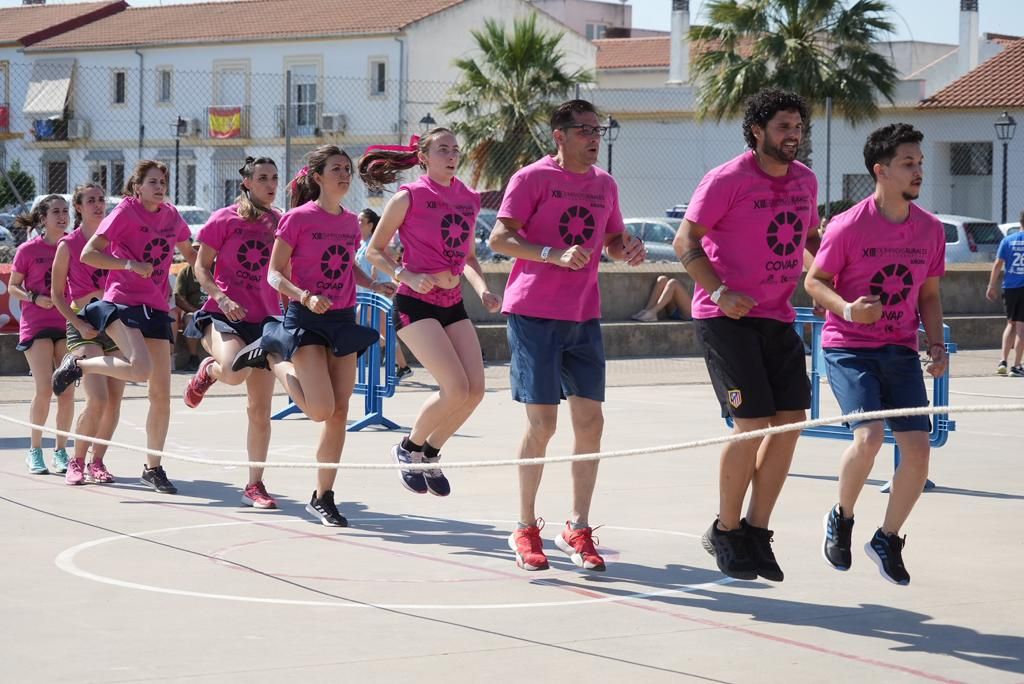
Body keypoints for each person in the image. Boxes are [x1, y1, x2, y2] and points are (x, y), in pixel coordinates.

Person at [489, 99, 646, 572]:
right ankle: (524, 527)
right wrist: (551, 254)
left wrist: (629, 248)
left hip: (584, 316)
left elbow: (613, 241)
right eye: (584, 130)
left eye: (598, 129)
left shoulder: (605, 185)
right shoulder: (531, 178)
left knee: (591, 424)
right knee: (543, 426)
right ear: (559, 135)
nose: (594, 137)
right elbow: (499, 238)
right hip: (534, 314)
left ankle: (576, 527)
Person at [673, 89, 820, 582]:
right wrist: (718, 293)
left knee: (791, 421)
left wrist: (823, 278)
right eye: (783, 126)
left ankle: (757, 531)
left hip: (778, 316)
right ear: (757, 131)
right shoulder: (726, 179)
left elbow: (808, 240)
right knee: (752, 423)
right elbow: (685, 241)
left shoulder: (805, 182)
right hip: (725, 318)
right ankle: (726, 529)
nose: (793, 135)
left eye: (798, 126)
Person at [806, 123, 946, 585]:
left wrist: (936, 342)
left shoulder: (929, 230)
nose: (918, 170)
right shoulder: (848, 225)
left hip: (900, 350)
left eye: (920, 162)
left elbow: (928, 294)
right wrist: (847, 309)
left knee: (918, 451)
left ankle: (887, 537)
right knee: (868, 438)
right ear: (880, 171)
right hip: (850, 348)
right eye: (908, 163)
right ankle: (841, 516)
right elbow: (814, 282)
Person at [232, 145, 395, 526]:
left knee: (339, 414)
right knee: (321, 410)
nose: (344, 174)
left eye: (347, 169)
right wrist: (303, 294)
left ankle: (323, 496)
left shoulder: (352, 222)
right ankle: (274, 355)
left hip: (343, 319)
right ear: (318, 176)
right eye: (336, 168)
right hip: (306, 318)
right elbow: (274, 273)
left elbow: (345, 267)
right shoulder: (298, 219)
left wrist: (373, 283)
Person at [360, 129, 501, 498]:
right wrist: (407, 275)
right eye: (443, 150)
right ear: (424, 156)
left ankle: (430, 451)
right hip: (414, 305)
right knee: (454, 387)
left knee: (475, 391)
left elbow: (468, 257)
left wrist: (482, 288)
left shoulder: (469, 199)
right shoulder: (410, 197)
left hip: (452, 303)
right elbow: (375, 251)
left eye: (456, 149)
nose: (452, 155)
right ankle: (407, 448)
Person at [51, 160, 196, 495]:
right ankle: (80, 366)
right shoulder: (125, 213)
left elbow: (192, 253)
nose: (160, 187)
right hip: (123, 303)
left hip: (157, 307)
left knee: (161, 394)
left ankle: (153, 467)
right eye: (153, 182)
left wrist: (215, 269)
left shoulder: (171, 215)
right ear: (137, 187)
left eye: (163, 181)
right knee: (137, 372)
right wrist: (128, 264)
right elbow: (89, 254)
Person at [182, 156, 283, 510]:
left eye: (274, 177)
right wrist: (222, 298)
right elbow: (200, 268)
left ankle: (255, 485)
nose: (271, 184)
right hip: (223, 315)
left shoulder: (280, 222)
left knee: (260, 410)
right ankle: (208, 370)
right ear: (247, 183)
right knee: (232, 372)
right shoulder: (222, 219)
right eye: (263, 178)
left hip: (265, 320)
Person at [50, 183, 125, 485]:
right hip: (85, 327)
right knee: (97, 399)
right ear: (78, 207)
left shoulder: (116, 242)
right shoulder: (68, 245)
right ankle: (76, 460)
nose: (98, 204)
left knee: (115, 401)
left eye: (101, 199)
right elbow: (56, 294)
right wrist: (78, 324)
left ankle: (98, 461)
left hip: (117, 326)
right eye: (90, 200)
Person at [10, 195, 74, 475]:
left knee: (67, 390)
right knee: (45, 389)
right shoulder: (27, 250)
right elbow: (13, 286)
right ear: (43, 219)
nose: (62, 216)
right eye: (56, 212)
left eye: (65, 211)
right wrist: (34, 298)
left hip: (66, 322)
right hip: (36, 323)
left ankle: (61, 452)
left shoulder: (73, 246)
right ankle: (35, 450)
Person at [355, 207, 411, 379]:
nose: (358, 224)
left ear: (371, 225)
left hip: (380, 294)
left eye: (361, 222)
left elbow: (384, 262)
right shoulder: (362, 245)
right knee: (384, 331)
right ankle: (403, 367)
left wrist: (375, 274)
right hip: (368, 294)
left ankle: (396, 360)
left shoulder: (374, 243)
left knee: (359, 323)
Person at [987, 210, 1024, 377]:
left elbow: (997, 264)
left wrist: (991, 285)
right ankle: (1016, 366)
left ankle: (1003, 361)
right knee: (1022, 327)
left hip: (1010, 288)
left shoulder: (1007, 240)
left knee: (1011, 323)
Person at [173, 246, 205, 372]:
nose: (197, 253)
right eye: (194, 250)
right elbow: (179, 297)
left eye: (200, 250)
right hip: (194, 311)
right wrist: (194, 310)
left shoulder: (217, 269)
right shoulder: (185, 271)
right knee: (191, 318)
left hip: (217, 310)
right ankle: (193, 357)